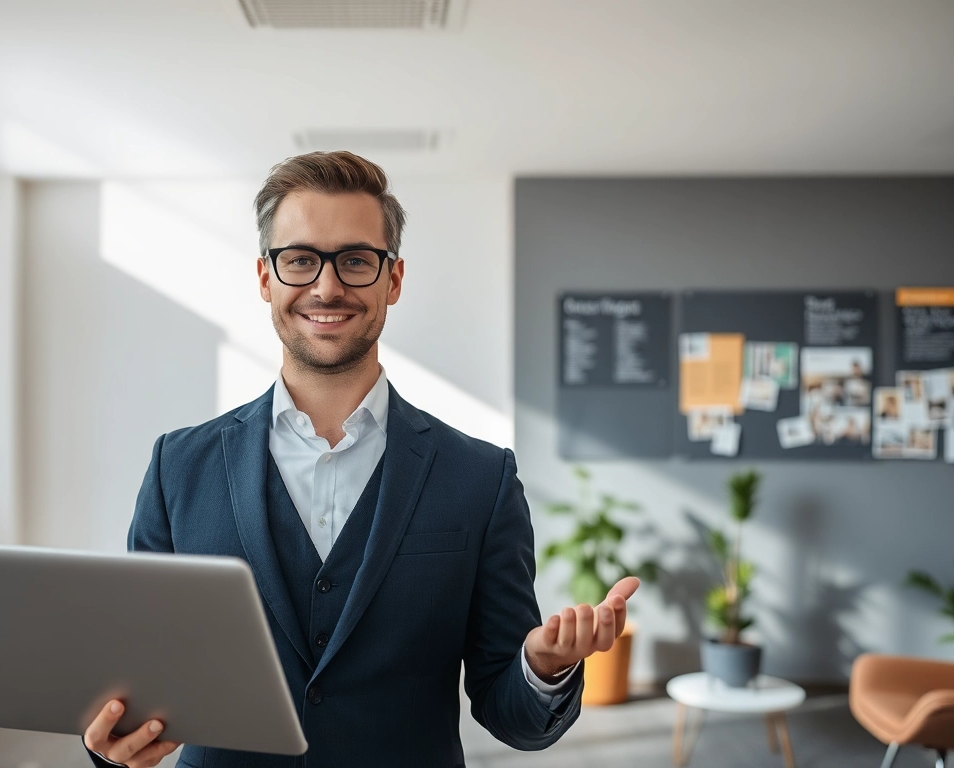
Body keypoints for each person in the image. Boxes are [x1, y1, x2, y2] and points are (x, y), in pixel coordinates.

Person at [83, 151, 639, 768]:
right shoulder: (178, 468)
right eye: (299, 260)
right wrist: (114, 747)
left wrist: (541, 668)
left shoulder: (481, 480)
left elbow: (511, 715)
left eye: (355, 261)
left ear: (393, 280)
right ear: (266, 277)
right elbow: (136, 678)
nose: (326, 287)